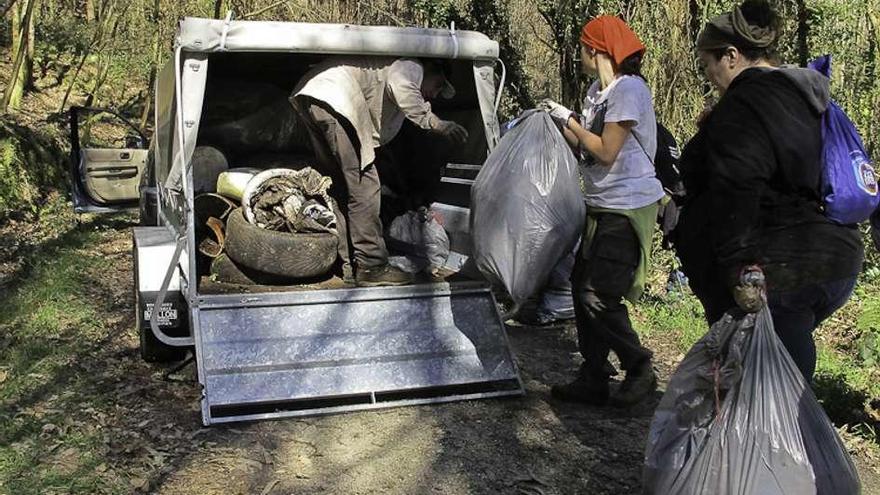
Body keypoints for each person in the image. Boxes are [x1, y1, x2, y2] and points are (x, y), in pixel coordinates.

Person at [674, 0, 864, 382]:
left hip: (780, 266)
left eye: (708, 64)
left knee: (768, 394)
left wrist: (741, 268)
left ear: (730, 56)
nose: (708, 75)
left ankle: (780, 441)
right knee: (779, 383)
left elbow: (737, 187)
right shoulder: (804, 96)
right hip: (835, 257)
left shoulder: (744, 106)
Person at [541, 15, 665, 407]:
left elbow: (607, 152)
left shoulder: (629, 90)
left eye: (582, 47)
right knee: (581, 290)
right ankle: (593, 375)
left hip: (627, 205)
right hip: (601, 203)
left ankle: (639, 365)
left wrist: (571, 123)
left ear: (596, 51)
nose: (579, 55)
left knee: (596, 292)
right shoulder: (599, 90)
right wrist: (558, 125)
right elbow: (586, 148)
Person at [290, 57, 469, 287]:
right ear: (432, 69)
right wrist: (436, 123)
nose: (434, 95)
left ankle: (346, 263)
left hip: (314, 97)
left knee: (342, 187)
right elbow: (400, 85)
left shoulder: (389, 83)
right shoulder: (412, 66)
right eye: (438, 86)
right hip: (336, 98)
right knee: (366, 186)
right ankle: (371, 266)